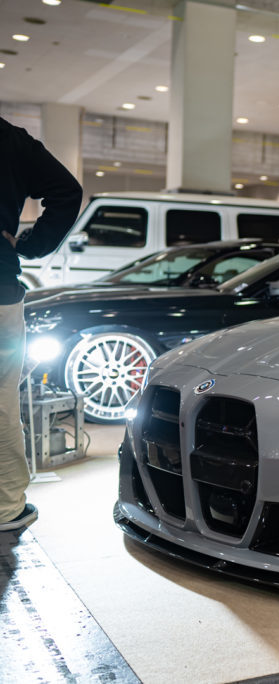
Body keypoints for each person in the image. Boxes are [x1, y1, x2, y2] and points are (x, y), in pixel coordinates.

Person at [0, 117, 82, 532]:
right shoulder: (8, 139)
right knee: (0, 403)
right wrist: (30, 245)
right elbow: (67, 191)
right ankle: (5, 508)